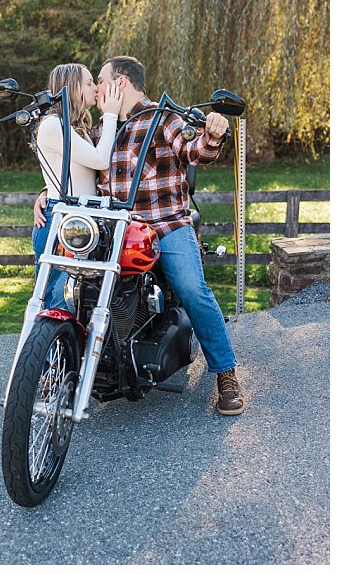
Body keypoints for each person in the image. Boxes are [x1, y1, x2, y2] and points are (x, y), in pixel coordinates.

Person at [34, 56, 243, 416]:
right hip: (116, 232)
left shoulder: (163, 118)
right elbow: (75, 166)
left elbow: (196, 152)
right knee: (77, 291)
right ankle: (67, 365)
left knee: (193, 289)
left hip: (165, 224)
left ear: (122, 83)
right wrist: (44, 192)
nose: (96, 89)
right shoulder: (103, 129)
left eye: (101, 80)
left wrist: (214, 133)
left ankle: (225, 373)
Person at [31, 63, 122, 309]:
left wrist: (44, 190)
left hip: (82, 220)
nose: (95, 88)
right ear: (72, 87)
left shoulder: (76, 127)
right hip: (61, 220)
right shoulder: (53, 125)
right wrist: (111, 114)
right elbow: (99, 159)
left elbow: (74, 171)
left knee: (79, 304)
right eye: (90, 82)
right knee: (57, 302)